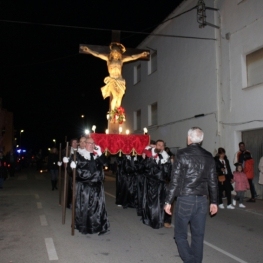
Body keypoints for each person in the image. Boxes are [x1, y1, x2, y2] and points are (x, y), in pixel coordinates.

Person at [164, 127, 218, 263]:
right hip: (202, 200)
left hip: (185, 199)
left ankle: (189, 260)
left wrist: (168, 201)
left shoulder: (182, 154)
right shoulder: (208, 156)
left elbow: (175, 180)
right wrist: (214, 202)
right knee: (198, 236)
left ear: (189, 138)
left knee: (180, 235)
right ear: (201, 140)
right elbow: (213, 181)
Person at [80, 42, 149, 111]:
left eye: (117, 52)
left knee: (119, 98)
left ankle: (117, 113)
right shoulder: (108, 60)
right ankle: (112, 113)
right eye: (114, 52)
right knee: (115, 97)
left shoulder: (121, 61)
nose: (115, 54)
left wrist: (141, 54)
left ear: (119, 53)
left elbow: (132, 57)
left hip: (120, 80)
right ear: (112, 53)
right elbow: (98, 54)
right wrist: (89, 50)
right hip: (112, 80)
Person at [70, 137, 109, 235]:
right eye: (89, 143)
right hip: (84, 188)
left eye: (93, 144)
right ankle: (84, 226)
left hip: (97, 187)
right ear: (85, 144)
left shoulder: (96, 156)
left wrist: (100, 153)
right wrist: (71, 167)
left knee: (97, 209)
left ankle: (97, 226)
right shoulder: (78, 156)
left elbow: (106, 164)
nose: (92, 145)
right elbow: (76, 173)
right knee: (85, 207)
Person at [142, 139, 172, 229]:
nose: (161, 147)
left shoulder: (165, 156)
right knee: (153, 203)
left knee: (165, 202)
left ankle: (165, 220)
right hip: (152, 184)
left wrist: (167, 162)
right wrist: (149, 151)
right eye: (159, 145)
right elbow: (146, 167)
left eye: (162, 145)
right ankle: (153, 220)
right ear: (155, 146)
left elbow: (168, 172)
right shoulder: (149, 155)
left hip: (163, 183)